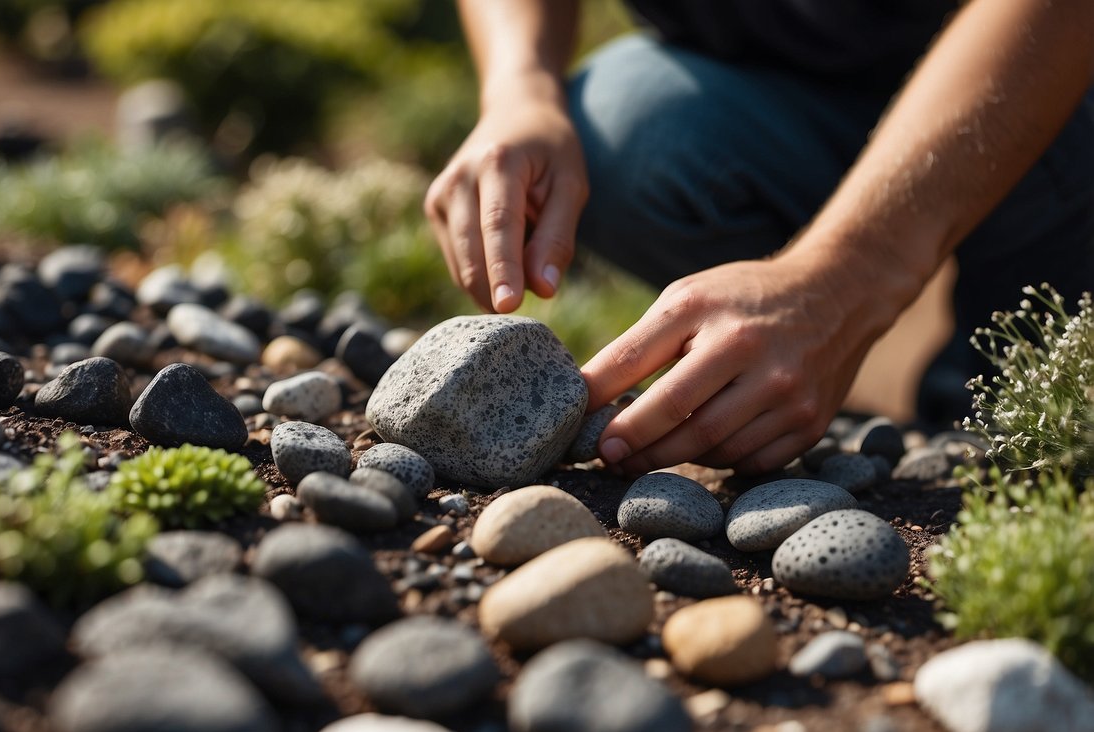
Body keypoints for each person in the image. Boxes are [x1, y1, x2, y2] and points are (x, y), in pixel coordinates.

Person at [424, 0, 1094, 477]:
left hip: (1050, 75)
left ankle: (969, 394)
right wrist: (520, 89)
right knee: (625, 126)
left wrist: (847, 278)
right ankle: (785, 373)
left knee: (1050, 436)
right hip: (785, 98)